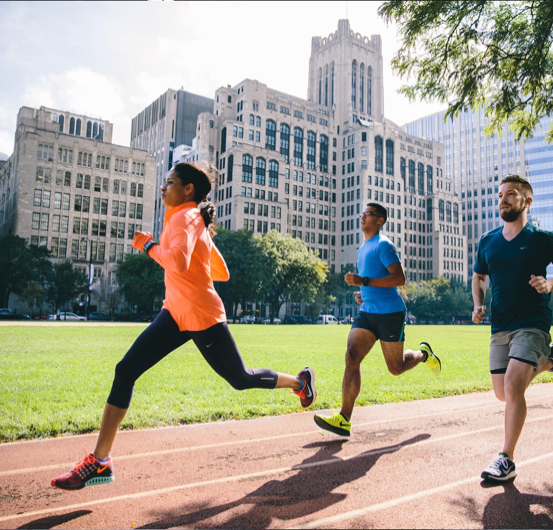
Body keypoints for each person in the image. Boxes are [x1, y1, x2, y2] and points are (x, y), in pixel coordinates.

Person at [52, 162, 316, 491]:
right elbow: (221, 272)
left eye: (170, 182)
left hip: (202, 316)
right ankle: (100, 461)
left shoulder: (185, 217)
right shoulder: (193, 221)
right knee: (126, 369)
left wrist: (148, 245)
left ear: (188, 189)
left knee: (240, 378)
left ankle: (300, 382)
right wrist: (199, 246)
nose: (164, 188)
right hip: (175, 312)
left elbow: (178, 261)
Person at [473, 175, 553, 481]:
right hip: (500, 325)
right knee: (503, 393)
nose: (503, 199)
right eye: (500, 195)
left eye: (510, 194)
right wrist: (478, 304)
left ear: (527, 202)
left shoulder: (542, 239)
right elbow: (479, 277)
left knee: (512, 386)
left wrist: (550, 284)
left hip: (533, 323)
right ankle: (551, 361)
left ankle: (505, 459)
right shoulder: (488, 241)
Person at [314, 203, 441, 437]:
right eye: (362, 213)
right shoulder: (363, 248)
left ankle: (424, 354)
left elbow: (399, 278)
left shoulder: (384, 245)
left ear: (380, 220)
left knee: (396, 367)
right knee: (352, 357)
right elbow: (372, 281)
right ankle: (344, 419)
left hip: (390, 313)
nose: (362, 217)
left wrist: (364, 282)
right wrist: (364, 294)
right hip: (368, 311)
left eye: (368, 214)